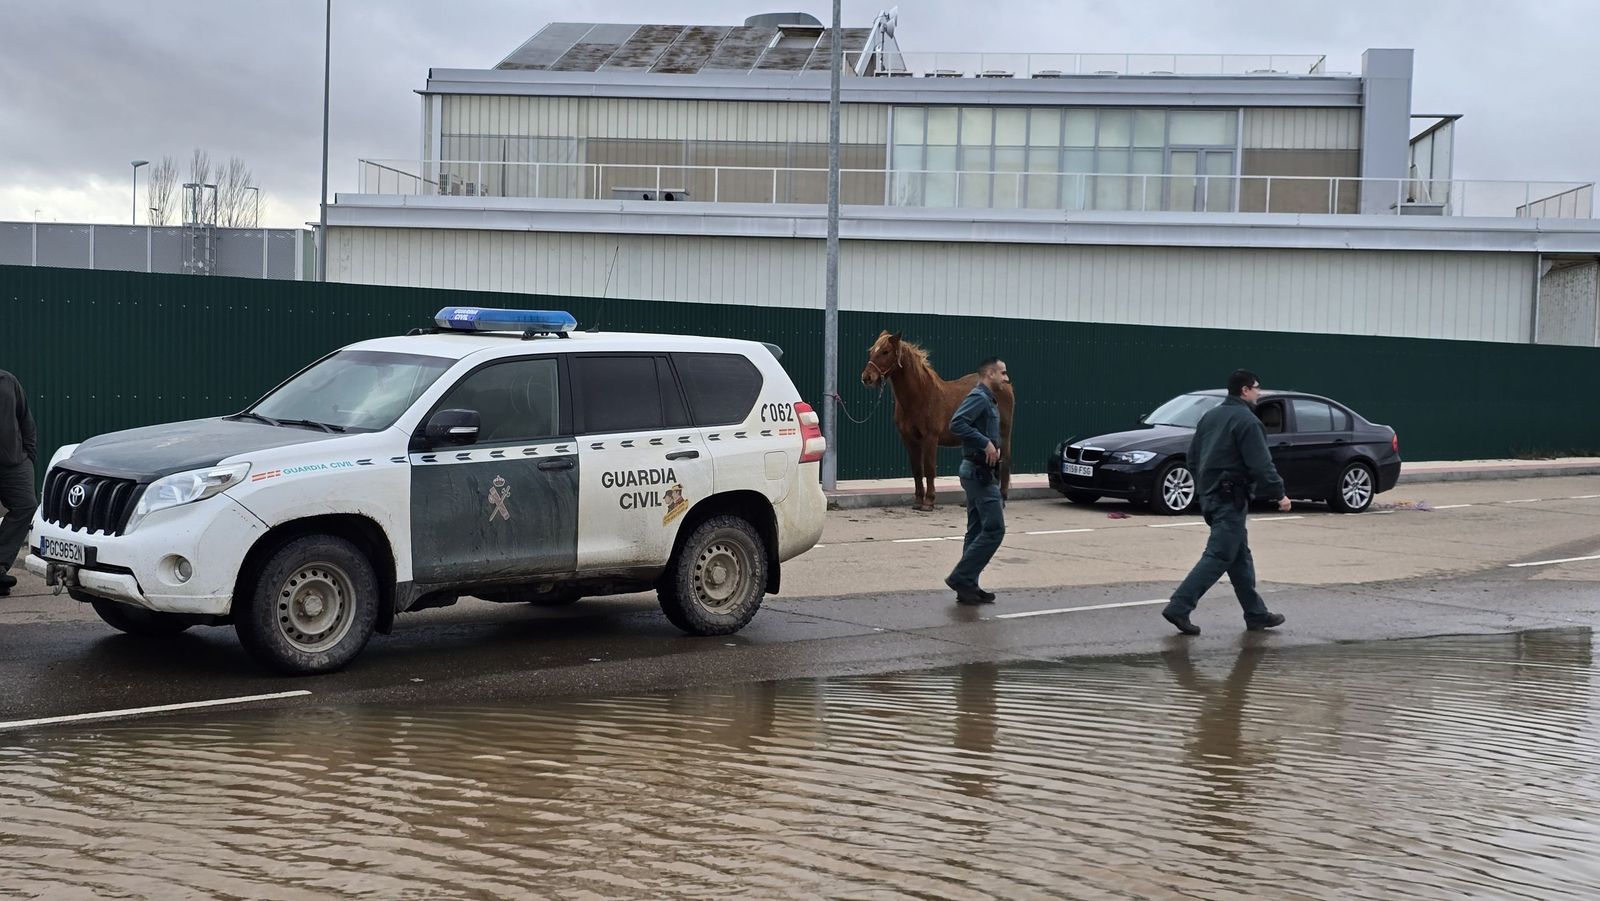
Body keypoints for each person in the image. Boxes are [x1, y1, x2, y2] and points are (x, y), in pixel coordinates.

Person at [1161, 369, 1290, 635]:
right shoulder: (1247, 421)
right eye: (1256, 387)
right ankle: (1179, 606)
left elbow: (1193, 457)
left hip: (1211, 496)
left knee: (1239, 557)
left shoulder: (1211, 416)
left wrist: (1205, 486)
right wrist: (1279, 494)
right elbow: (1261, 464)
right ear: (1244, 390)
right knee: (1219, 555)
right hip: (1230, 499)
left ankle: (1256, 614)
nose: (1259, 392)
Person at [945, 357, 1008, 605]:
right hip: (977, 473)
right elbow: (957, 423)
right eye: (1003, 373)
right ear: (990, 373)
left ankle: (968, 585)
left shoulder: (988, 399)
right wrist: (985, 442)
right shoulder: (979, 397)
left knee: (977, 529)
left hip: (980, 472)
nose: (1006, 378)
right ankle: (961, 577)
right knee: (994, 529)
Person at [0, 369, 38, 597]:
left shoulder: (7, 381)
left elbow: (25, 418)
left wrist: (28, 456)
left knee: (26, 505)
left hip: (13, 462)